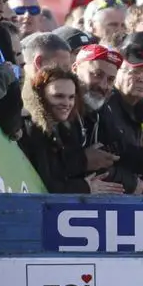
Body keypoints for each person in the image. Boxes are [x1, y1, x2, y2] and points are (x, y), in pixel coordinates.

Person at [19, 65, 124, 194]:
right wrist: (86, 187)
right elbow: (44, 185)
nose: (66, 103)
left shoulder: (61, 129)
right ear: (41, 95)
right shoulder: (33, 128)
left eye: (71, 97)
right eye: (58, 96)